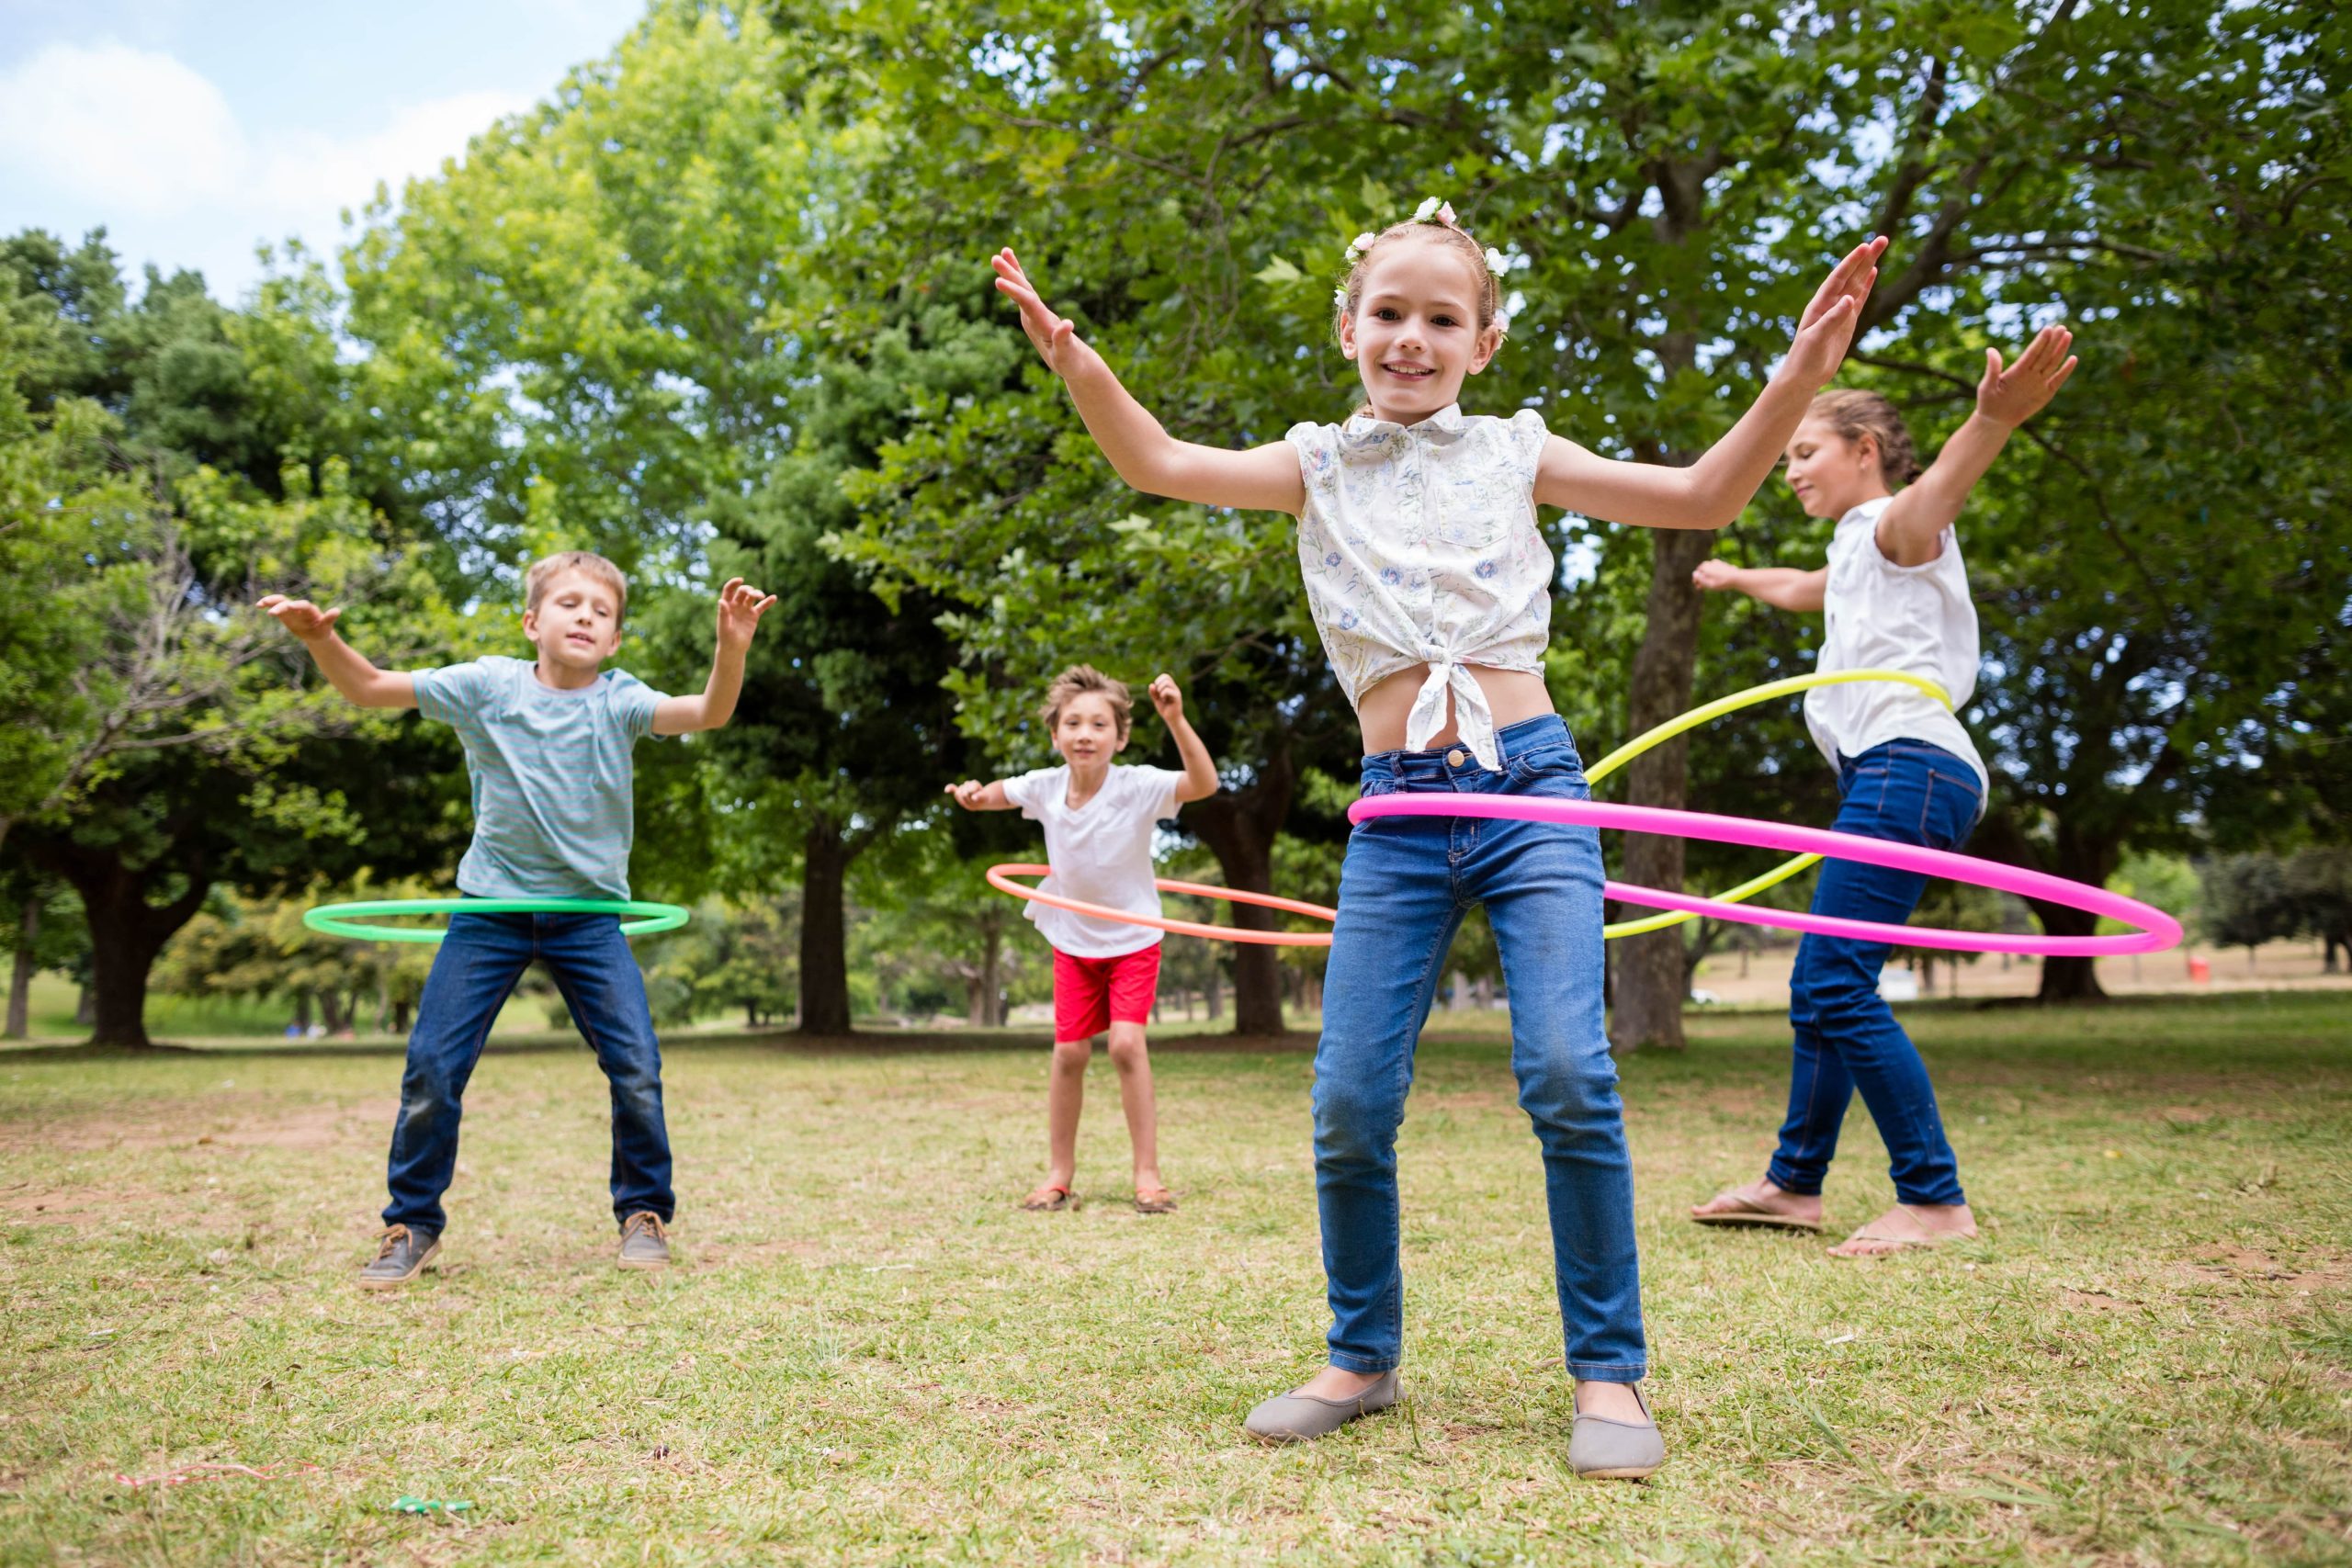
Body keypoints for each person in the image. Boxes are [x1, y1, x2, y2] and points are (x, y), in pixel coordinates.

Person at [991, 200, 1885, 1477]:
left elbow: (1702, 492)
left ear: (1485, 339)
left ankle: (1609, 1371)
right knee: (1351, 1096)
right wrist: (1076, 358)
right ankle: (1362, 1356)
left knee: (1571, 1072)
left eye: (1442, 318)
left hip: (1532, 788)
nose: (1412, 337)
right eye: (1390, 313)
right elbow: (1157, 462)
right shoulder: (1312, 462)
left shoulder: (1516, 450)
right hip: (1398, 808)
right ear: (1349, 325)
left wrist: (1801, 371)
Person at [258, 553, 775, 1288]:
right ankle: (411, 1222)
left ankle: (643, 1212)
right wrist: (319, 640)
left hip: (590, 916)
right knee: (433, 1066)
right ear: (533, 622)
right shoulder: (486, 686)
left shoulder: (620, 700)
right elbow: (369, 688)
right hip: (489, 913)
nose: (586, 616)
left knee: (637, 1067)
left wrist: (732, 645)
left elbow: (709, 712)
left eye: (602, 611)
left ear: (616, 639)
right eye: (569, 603)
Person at [1685, 328, 2077, 1258]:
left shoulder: (1899, 527)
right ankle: (1792, 1185)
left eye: (1804, 452)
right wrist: (1739, 575)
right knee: (1820, 988)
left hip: (1910, 762)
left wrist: (1989, 420)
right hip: (1888, 770)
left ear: (1865, 451)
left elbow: (1938, 491)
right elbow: (1800, 588)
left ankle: (1933, 1198)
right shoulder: (1854, 556)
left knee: (1832, 981)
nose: (1790, 472)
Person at [947, 665, 1219, 1213]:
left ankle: (1148, 1175)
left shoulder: (1139, 785)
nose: (1084, 734)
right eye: (1072, 723)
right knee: (1069, 1053)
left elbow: (1204, 784)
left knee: (1124, 1044)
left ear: (1119, 737)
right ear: (1055, 735)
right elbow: (995, 793)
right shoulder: (1046, 786)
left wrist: (1176, 719)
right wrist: (973, 795)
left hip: (1134, 936)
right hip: (1073, 939)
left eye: (1099, 724)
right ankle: (1058, 1175)